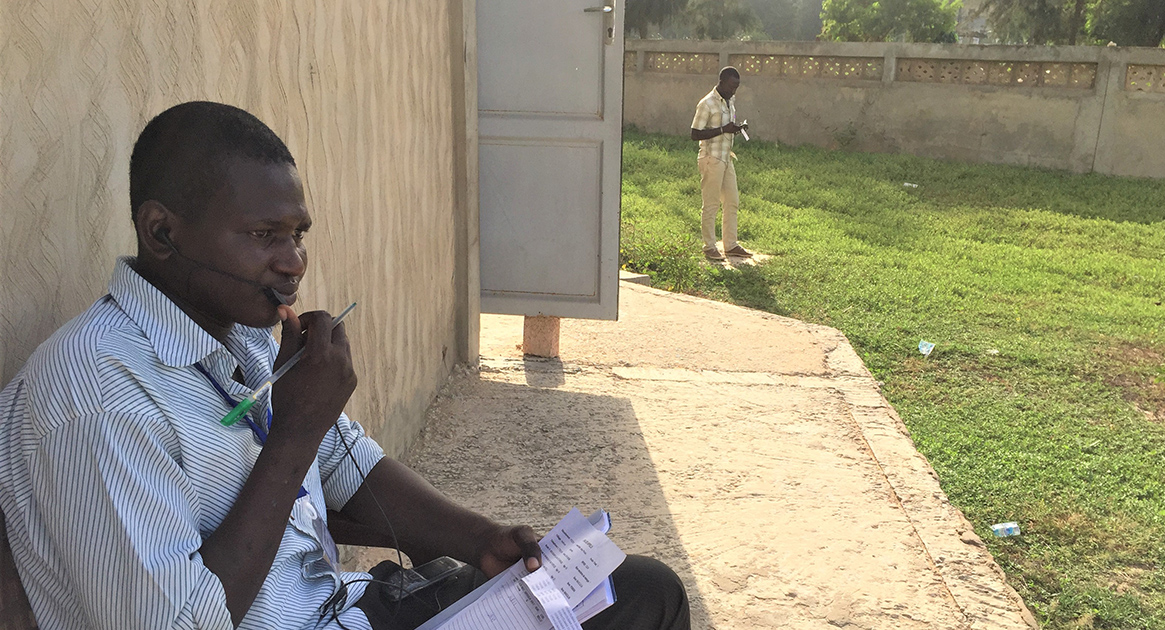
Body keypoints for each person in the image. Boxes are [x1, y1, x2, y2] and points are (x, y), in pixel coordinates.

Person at [0, 101, 690, 630]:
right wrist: (296, 429)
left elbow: (339, 464)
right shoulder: (95, 392)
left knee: (639, 593)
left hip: (351, 610)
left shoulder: (234, 333)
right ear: (162, 232)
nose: (294, 262)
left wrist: (479, 541)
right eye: (264, 236)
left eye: (298, 235)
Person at [690, 66, 752, 262]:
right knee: (711, 204)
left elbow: (726, 126)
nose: (734, 91)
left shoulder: (729, 101)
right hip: (711, 158)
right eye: (732, 86)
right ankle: (709, 246)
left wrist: (735, 128)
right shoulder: (706, 103)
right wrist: (723, 129)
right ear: (722, 82)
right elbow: (695, 133)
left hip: (726, 157)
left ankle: (730, 245)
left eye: (737, 87)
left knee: (732, 201)